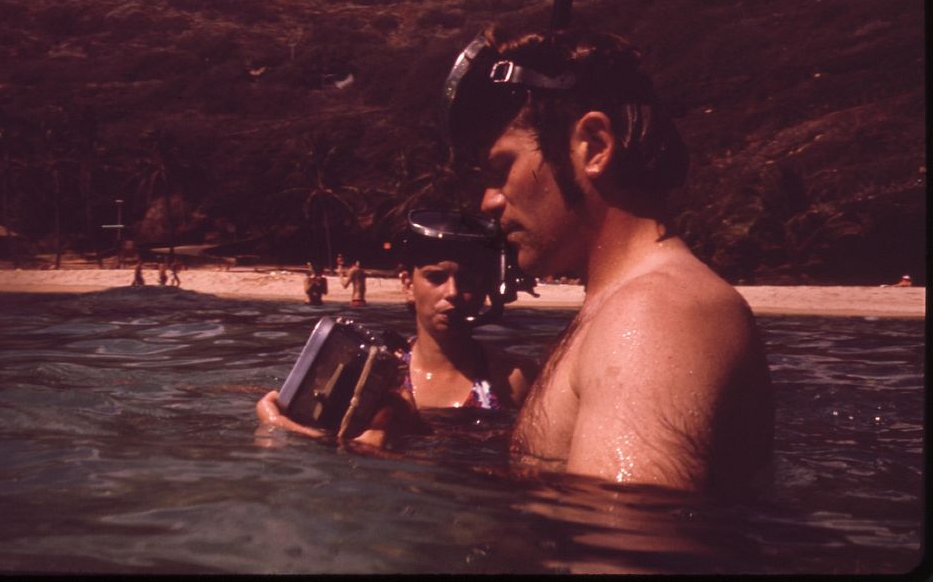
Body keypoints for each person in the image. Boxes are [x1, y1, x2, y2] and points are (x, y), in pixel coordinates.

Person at [440, 26, 773, 492]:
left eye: (501, 170)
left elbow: (621, 550)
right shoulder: (621, 307)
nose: (488, 203)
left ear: (593, 146)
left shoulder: (656, 314)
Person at [257, 217, 533, 443]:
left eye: (469, 281)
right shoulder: (373, 375)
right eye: (435, 277)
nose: (453, 292)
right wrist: (277, 424)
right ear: (407, 284)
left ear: (485, 287)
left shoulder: (513, 379)